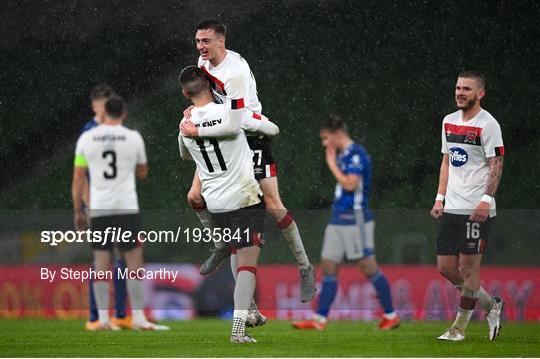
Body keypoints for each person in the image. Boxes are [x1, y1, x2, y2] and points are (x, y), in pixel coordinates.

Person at [184, 19, 316, 304]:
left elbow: (235, 123)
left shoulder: (236, 74)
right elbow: (210, 101)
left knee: (273, 206)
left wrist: (198, 129)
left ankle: (305, 267)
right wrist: (195, 110)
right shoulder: (203, 62)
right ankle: (243, 293)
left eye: (206, 41)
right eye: (197, 41)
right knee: (196, 197)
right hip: (223, 139)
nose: (200, 47)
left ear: (222, 41)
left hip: (249, 137)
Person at [178, 65, 271, 343]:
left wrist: (195, 130)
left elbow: (185, 155)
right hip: (242, 196)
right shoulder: (231, 115)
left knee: (235, 252)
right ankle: (239, 328)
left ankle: (250, 313)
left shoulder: (185, 123)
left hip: (215, 202)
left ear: (185, 93)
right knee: (247, 265)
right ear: (211, 83)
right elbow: (267, 129)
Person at [292, 115, 400, 331]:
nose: (324, 144)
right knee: (328, 264)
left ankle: (391, 315)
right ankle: (319, 320)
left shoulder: (356, 154)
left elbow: (350, 184)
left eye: (326, 138)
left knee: (368, 267)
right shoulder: (343, 154)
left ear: (337, 133)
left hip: (355, 218)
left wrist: (331, 163)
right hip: (338, 218)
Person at [72, 95, 168, 331]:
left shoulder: (87, 138)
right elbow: (143, 172)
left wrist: (78, 211)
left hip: (100, 206)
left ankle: (102, 320)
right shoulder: (132, 137)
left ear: (104, 114)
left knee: (101, 262)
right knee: (134, 262)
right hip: (126, 206)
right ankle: (138, 318)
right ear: (124, 113)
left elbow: (78, 177)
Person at [430, 71, 504, 341]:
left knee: (470, 269)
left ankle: (458, 328)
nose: (460, 92)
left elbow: (496, 164)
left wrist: (486, 200)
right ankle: (491, 305)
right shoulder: (448, 121)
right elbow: (447, 161)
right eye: (458, 88)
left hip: (476, 208)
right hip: (452, 206)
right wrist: (440, 197)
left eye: (467, 89)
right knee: (446, 267)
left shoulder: (489, 124)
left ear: (480, 93)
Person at [81, 84, 130, 331]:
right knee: (102, 259)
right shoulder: (90, 132)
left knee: (122, 258)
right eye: (103, 105)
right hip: (98, 204)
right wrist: (88, 207)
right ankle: (95, 316)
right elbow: (83, 174)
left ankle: (120, 315)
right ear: (95, 106)